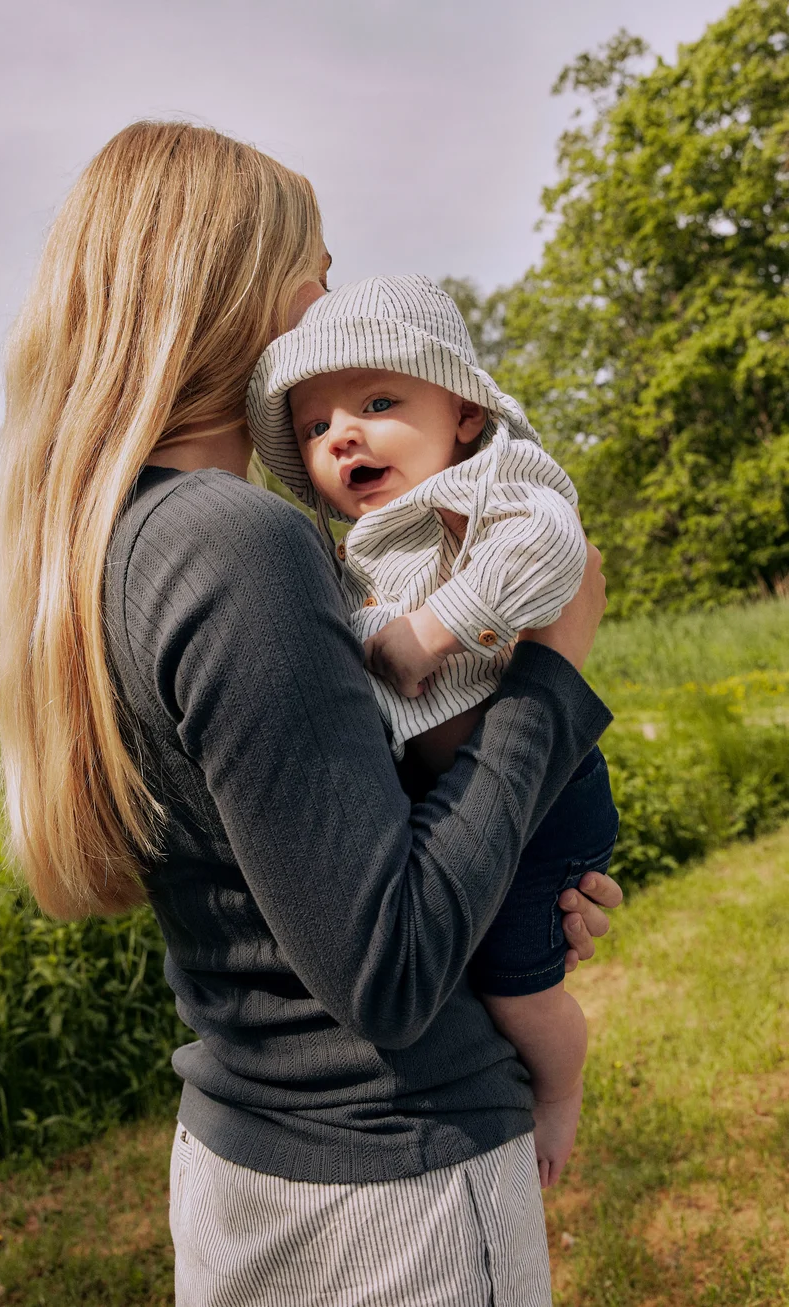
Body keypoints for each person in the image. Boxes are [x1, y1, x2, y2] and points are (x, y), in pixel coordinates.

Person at [0, 121, 622, 1307]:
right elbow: (386, 967)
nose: (333, 309)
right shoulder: (241, 544)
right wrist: (550, 677)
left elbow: (314, 885)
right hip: (393, 1191)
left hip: (248, 1156)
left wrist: (510, 883)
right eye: (319, 278)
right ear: (239, 290)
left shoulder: (120, 547)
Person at [247, 274, 620, 1189]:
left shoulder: (491, 478)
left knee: (513, 981)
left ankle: (561, 1084)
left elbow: (554, 549)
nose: (343, 434)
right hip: (460, 796)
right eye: (315, 426)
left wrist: (431, 631)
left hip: (541, 792)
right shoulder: (349, 552)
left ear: (461, 412)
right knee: (471, 957)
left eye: (380, 401)